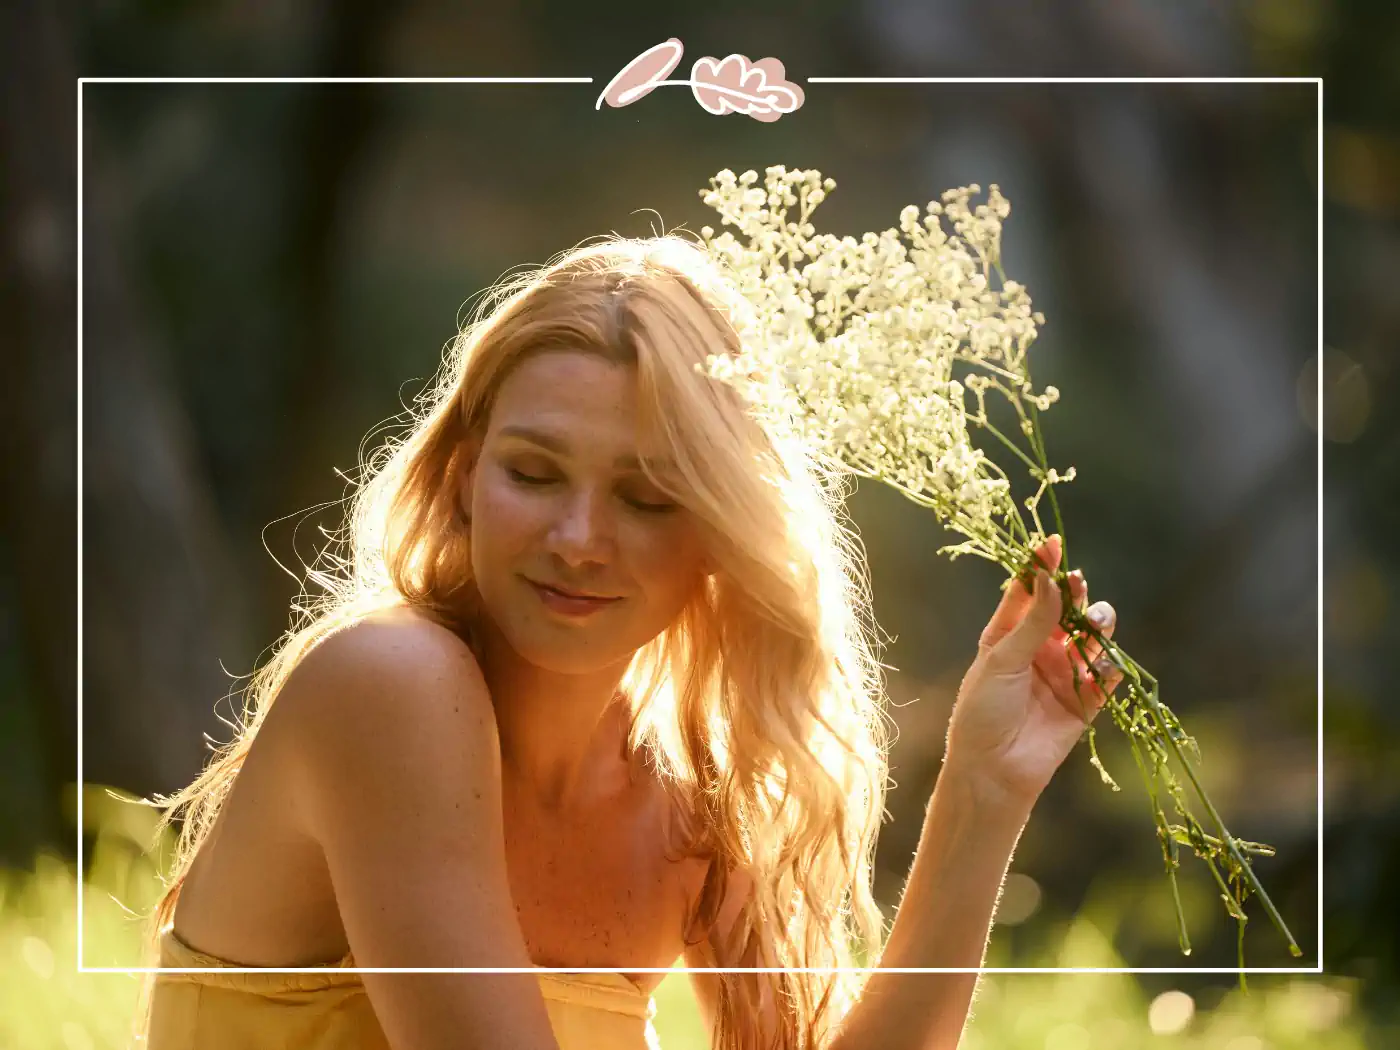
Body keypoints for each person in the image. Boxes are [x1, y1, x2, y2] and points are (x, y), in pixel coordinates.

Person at [134, 234, 1121, 1050]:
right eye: (532, 474)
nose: (576, 540)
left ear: (719, 531)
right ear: (464, 479)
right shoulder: (388, 684)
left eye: (646, 497)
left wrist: (984, 790)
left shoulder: (692, 802)